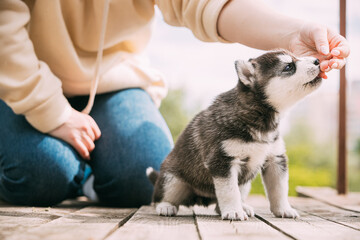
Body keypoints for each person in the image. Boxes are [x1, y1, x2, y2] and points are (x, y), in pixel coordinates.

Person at [0, 0, 349, 207]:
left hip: (110, 79)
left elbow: (204, 5)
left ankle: (86, 173)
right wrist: (50, 109)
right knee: (40, 175)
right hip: (14, 77)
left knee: (144, 180)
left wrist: (291, 34)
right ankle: (65, 168)